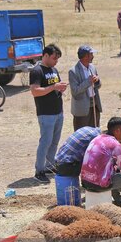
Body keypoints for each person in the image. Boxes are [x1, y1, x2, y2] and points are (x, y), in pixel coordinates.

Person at [30, 44, 68, 184]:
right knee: (45, 142)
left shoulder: (54, 70)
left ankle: (49, 167)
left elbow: (53, 88)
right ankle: (39, 171)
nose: (56, 61)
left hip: (58, 111)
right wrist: (53, 87)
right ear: (45, 55)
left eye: (57, 59)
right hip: (46, 113)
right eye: (54, 58)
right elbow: (35, 91)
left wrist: (60, 88)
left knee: (54, 142)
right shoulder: (37, 71)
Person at [69, 45, 101, 131]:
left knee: (94, 132)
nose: (93, 56)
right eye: (91, 54)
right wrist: (88, 82)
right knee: (82, 134)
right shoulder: (73, 71)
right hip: (82, 109)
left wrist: (97, 81)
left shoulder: (92, 67)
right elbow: (75, 91)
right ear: (86, 56)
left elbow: (98, 85)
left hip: (94, 104)